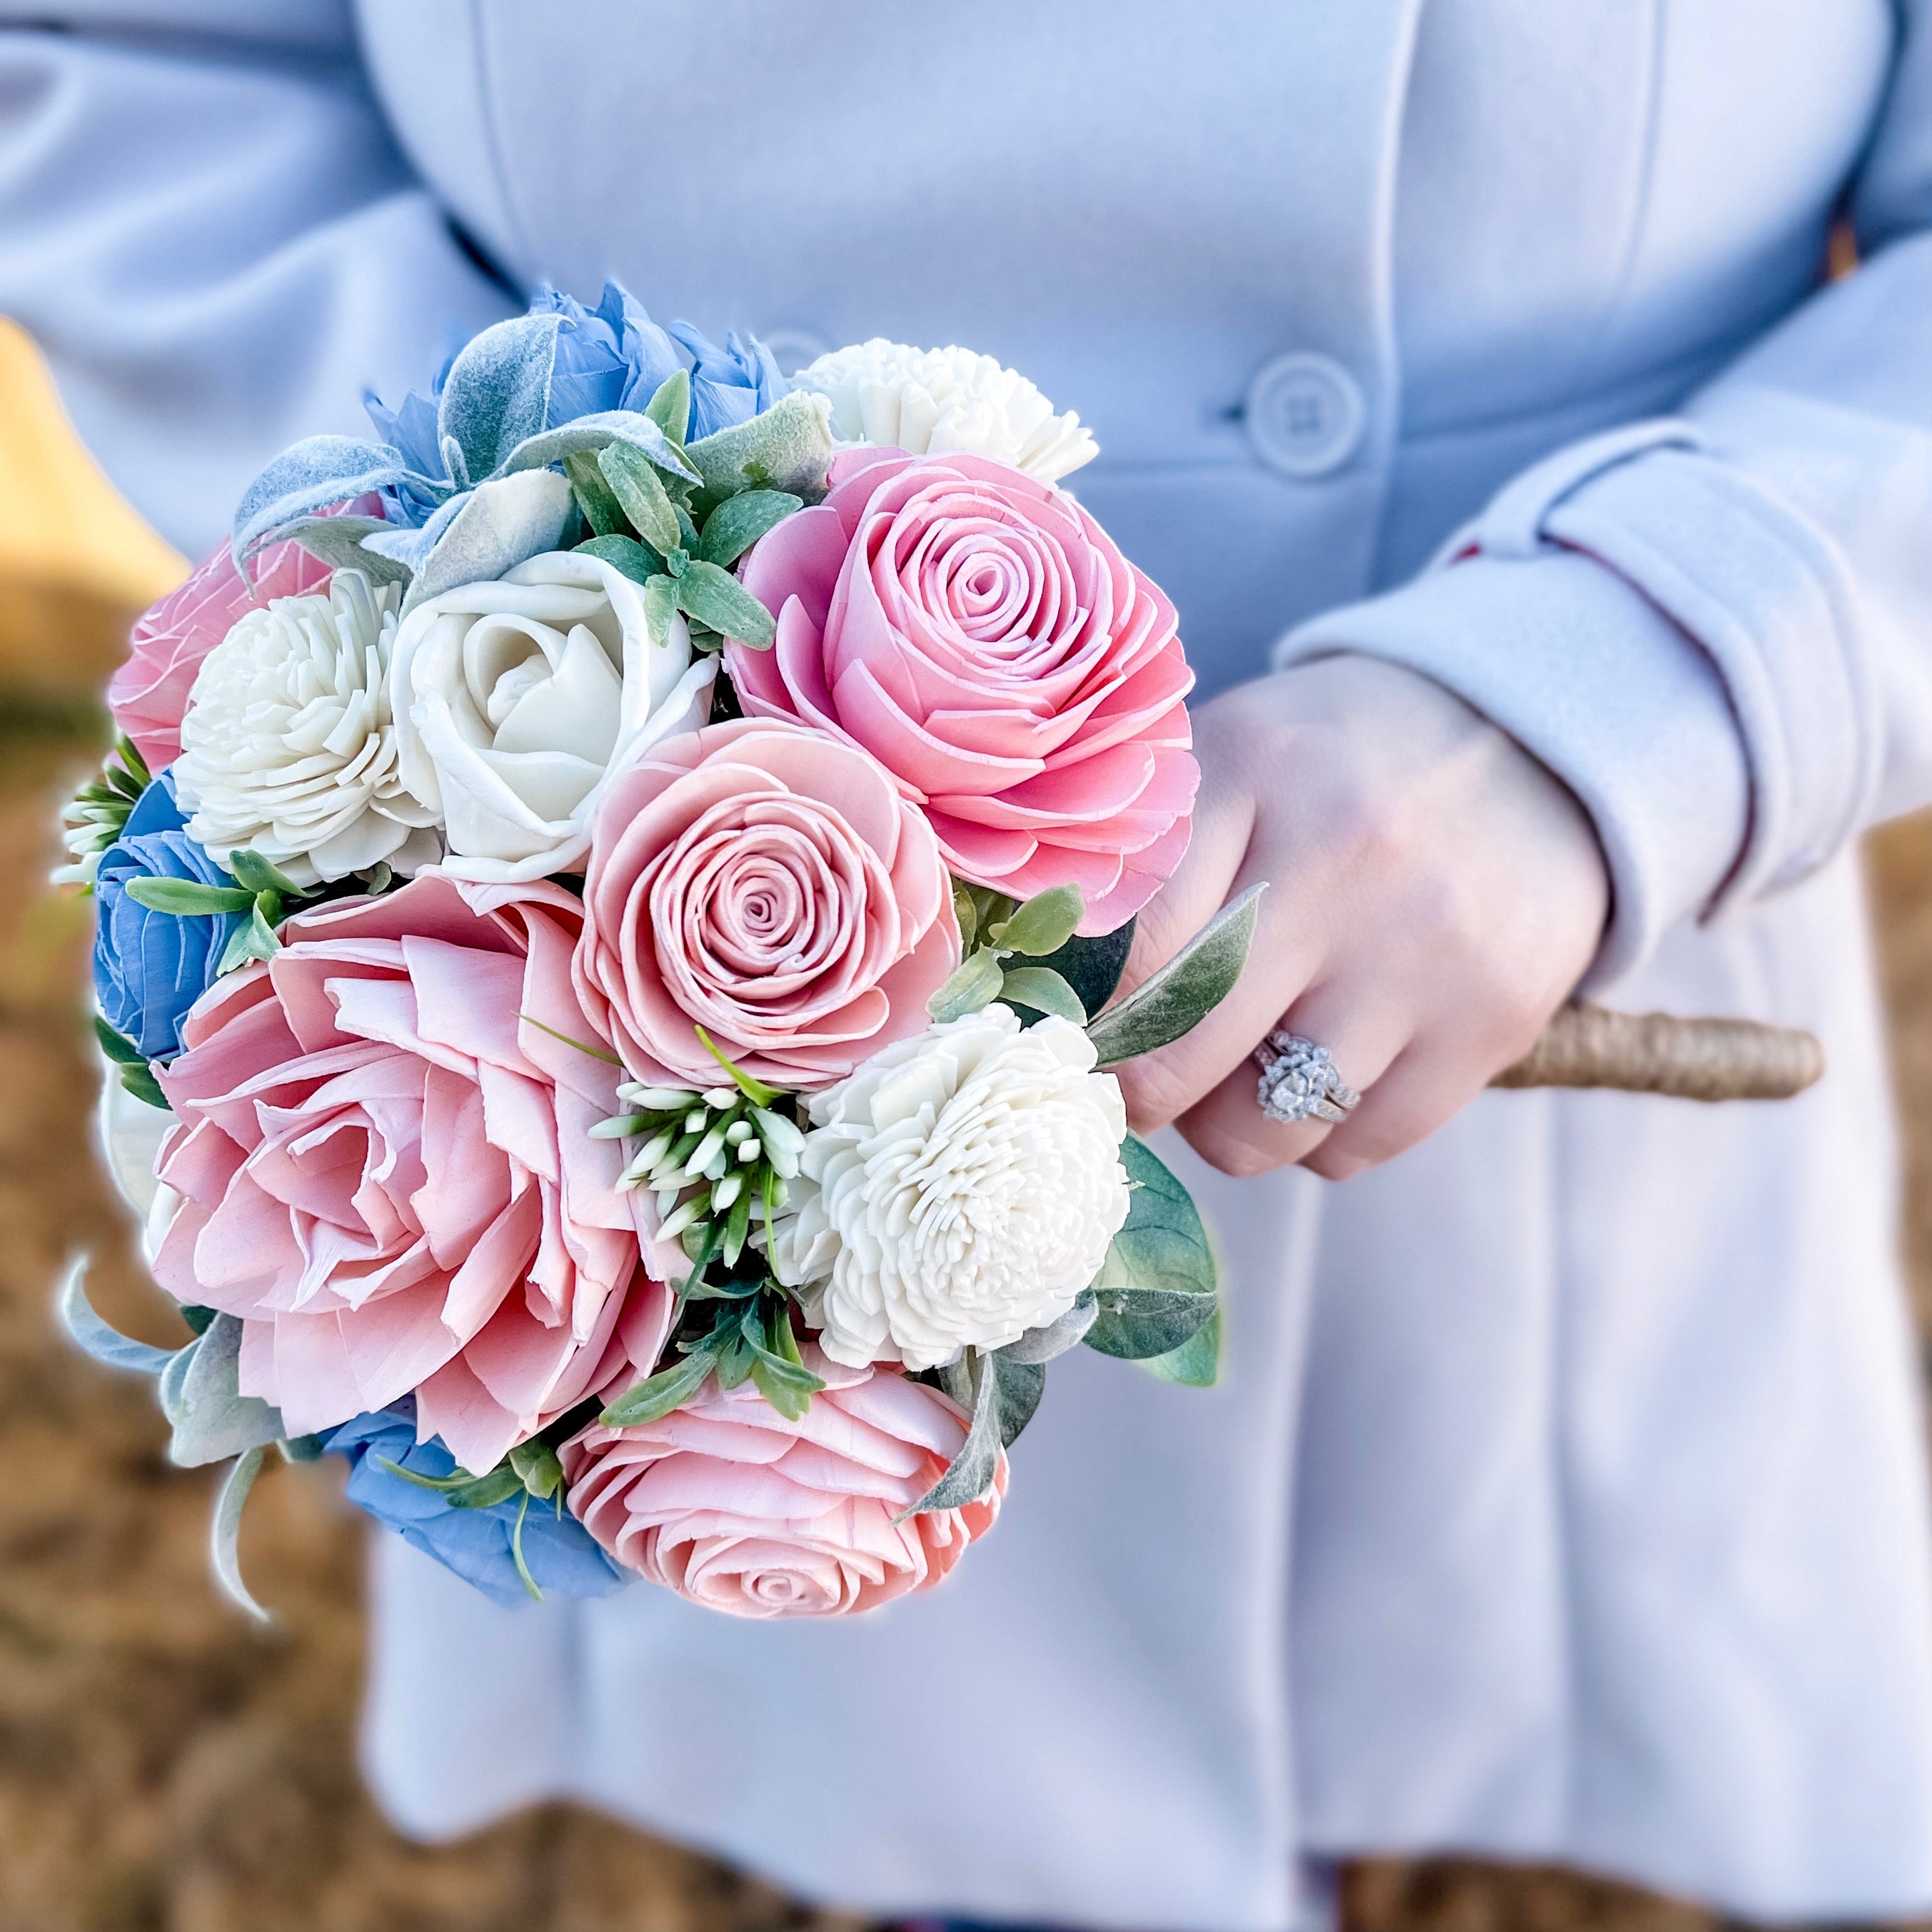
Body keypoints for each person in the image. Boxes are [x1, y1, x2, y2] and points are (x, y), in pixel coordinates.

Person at [6, 3, 1932, 1926]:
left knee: (1455, 1593)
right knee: (979, 1767)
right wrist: (502, 595)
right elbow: (131, 60)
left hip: (1529, 855)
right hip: (608, 870)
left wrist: (1635, 670)